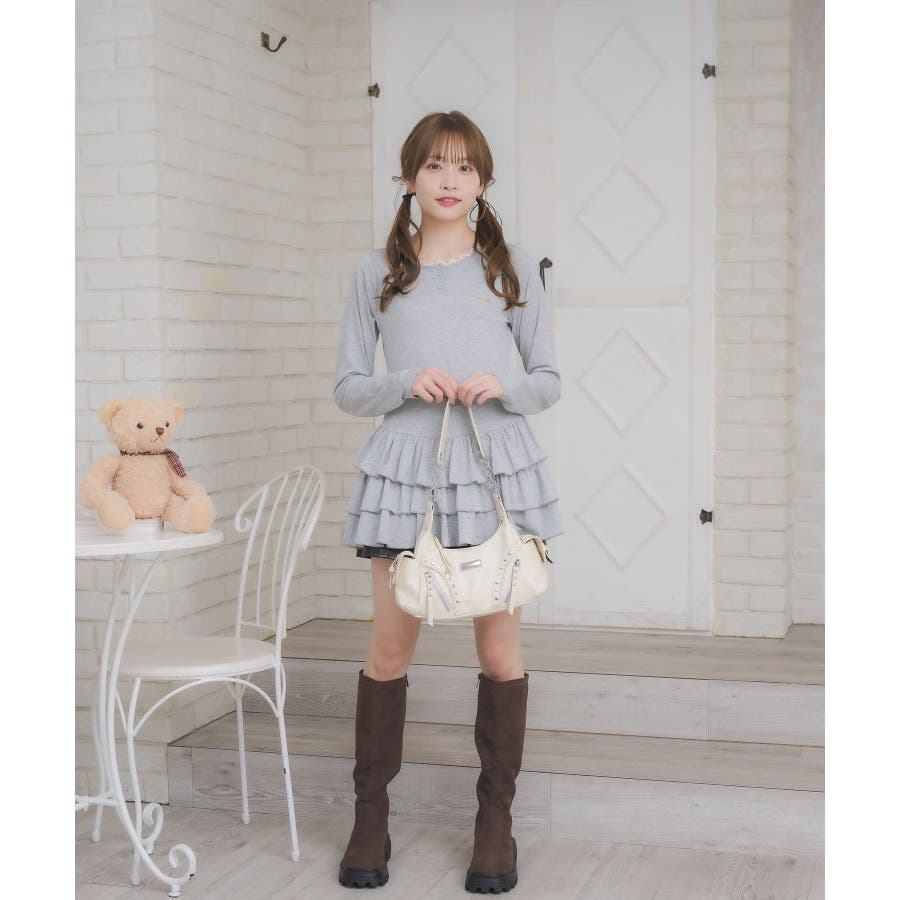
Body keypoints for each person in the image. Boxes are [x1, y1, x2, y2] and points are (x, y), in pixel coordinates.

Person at [333, 110, 564, 892]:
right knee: (388, 653)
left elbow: (549, 379)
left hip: (494, 469)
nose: (450, 180)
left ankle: (495, 824)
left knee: (499, 655)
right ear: (408, 178)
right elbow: (348, 387)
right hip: (403, 474)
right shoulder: (375, 272)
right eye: (434, 165)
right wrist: (404, 382)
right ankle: (370, 819)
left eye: (465, 167)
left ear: (484, 181)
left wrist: (506, 386)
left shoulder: (512, 268)